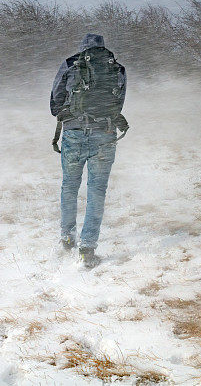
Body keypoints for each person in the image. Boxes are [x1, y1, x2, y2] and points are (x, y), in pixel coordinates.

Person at [50, 33, 127, 267]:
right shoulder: (117, 68)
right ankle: (88, 247)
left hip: (73, 133)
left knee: (70, 185)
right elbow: (118, 103)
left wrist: (69, 113)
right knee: (97, 191)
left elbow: (55, 102)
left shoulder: (70, 64)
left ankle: (67, 236)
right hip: (104, 133)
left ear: (82, 48)